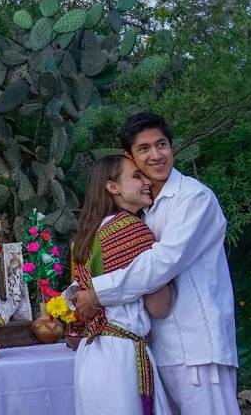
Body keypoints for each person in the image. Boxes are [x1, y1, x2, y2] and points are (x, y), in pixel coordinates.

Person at [73, 112, 240, 415]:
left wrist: (97, 294)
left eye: (162, 144)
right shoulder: (143, 211)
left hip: (197, 349)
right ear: (130, 156)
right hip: (156, 349)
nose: (156, 155)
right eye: (144, 148)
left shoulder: (193, 198)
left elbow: (163, 262)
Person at [71, 154, 173, 415]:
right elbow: (158, 306)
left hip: (93, 353)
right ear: (112, 187)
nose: (147, 181)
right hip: (123, 358)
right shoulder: (132, 229)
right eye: (136, 176)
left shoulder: (91, 233)